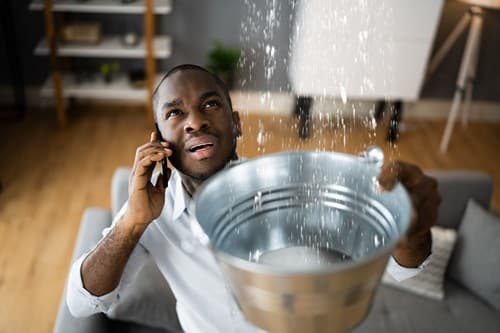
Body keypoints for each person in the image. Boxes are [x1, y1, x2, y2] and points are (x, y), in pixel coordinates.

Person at [66, 64, 441, 333]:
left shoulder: (286, 189)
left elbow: (403, 269)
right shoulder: (148, 213)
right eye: (175, 113)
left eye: (211, 104)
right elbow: (81, 303)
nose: (195, 121)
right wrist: (133, 221)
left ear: (238, 123)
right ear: (159, 137)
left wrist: (412, 227)